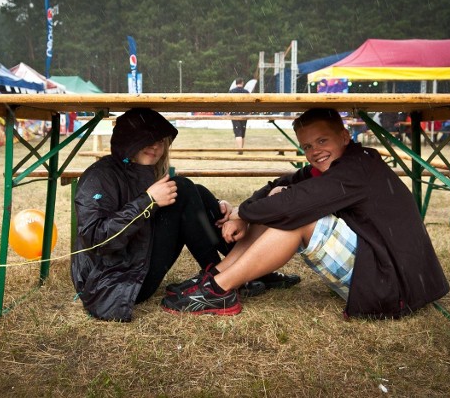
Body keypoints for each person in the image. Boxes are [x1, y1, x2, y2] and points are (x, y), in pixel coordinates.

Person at [162, 108, 450, 319]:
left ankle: (219, 290)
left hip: (395, 287)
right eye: (308, 146)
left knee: (298, 214)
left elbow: (291, 204)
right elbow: (282, 184)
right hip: (381, 270)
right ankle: (217, 280)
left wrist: (245, 213)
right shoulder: (333, 166)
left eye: (323, 141)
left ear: (345, 136)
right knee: (283, 202)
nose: (315, 151)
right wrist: (243, 212)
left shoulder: (355, 168)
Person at [71, 108, 299, 322]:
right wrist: (148, 200)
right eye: (147, 139)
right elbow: (97, 240)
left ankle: (247, 272)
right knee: (183, 189)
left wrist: (214, 207)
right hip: (110, 283)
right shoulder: (99, 177)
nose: (155, 147)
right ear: (128, 140)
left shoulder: (143, 171)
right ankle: (222, 283)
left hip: (132, 264)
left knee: (194, 192)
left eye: (161, 141)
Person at [228, 78, 249, 154]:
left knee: (238, 132)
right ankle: (241, 148)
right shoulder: (246, 92)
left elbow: (228, 103)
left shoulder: (231, 92)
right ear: (242, 83)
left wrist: (228, 112)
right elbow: (249, 103)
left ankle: (240, 149)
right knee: (243, 132)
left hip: (235, 114)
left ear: (236, 83)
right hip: (244, 114)